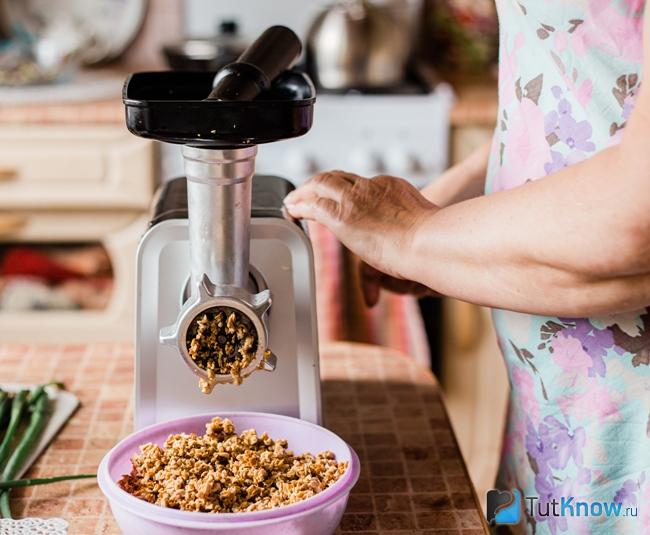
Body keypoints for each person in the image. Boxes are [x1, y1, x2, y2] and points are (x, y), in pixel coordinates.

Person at [284, 1, 650, 534]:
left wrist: (412, 234)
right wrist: (451, 213)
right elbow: (570, 84)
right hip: (554, 426)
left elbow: (635, 220)